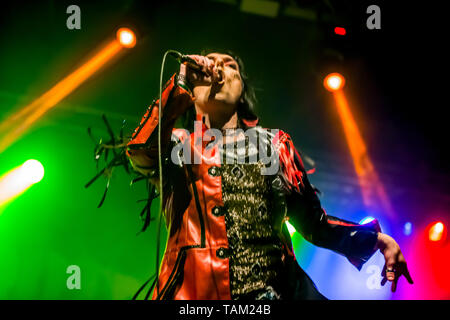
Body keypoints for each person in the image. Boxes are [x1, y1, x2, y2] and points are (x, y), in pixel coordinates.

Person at [124, 51, 413, 300]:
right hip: (191, 294)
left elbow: (313, 223)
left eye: (229, 65)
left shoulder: (275, 144)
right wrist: (179, 85)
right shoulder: (177, 143)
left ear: (241, 89)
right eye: (209, 62)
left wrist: (376, 240)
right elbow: (139, 152)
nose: (217, 68)